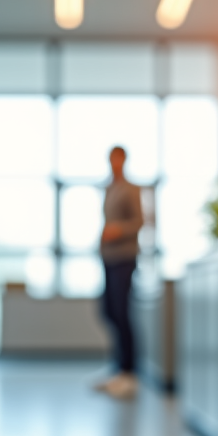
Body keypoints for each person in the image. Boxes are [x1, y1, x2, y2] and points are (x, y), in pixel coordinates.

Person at [95, 146, 143, 399]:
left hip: (125, 257)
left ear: (124, 161)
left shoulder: (131, 189)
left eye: (118, 159)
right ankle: (118, 368)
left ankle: (129, 372)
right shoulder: (109, 188)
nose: (114, 164)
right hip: (108, 258)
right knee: (108, 311)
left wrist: (117, 230)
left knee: (123, 313)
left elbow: (138, 222)